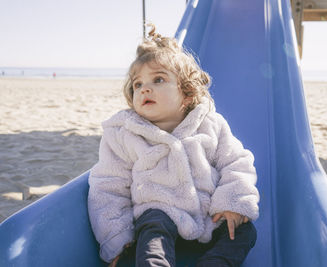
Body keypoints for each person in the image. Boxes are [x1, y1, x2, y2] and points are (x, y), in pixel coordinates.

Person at [88, 24, 259, 267]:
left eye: (158, 79)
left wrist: (232, 204)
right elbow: (108, 184)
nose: (145, 88)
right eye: (137, 84)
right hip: (158, 213)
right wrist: (116, 235)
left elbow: (237, 162)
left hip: (208, 215)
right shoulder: (124, 133)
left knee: (245, 232)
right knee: (152, 230)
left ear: (187, 93)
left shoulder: (210, 124)